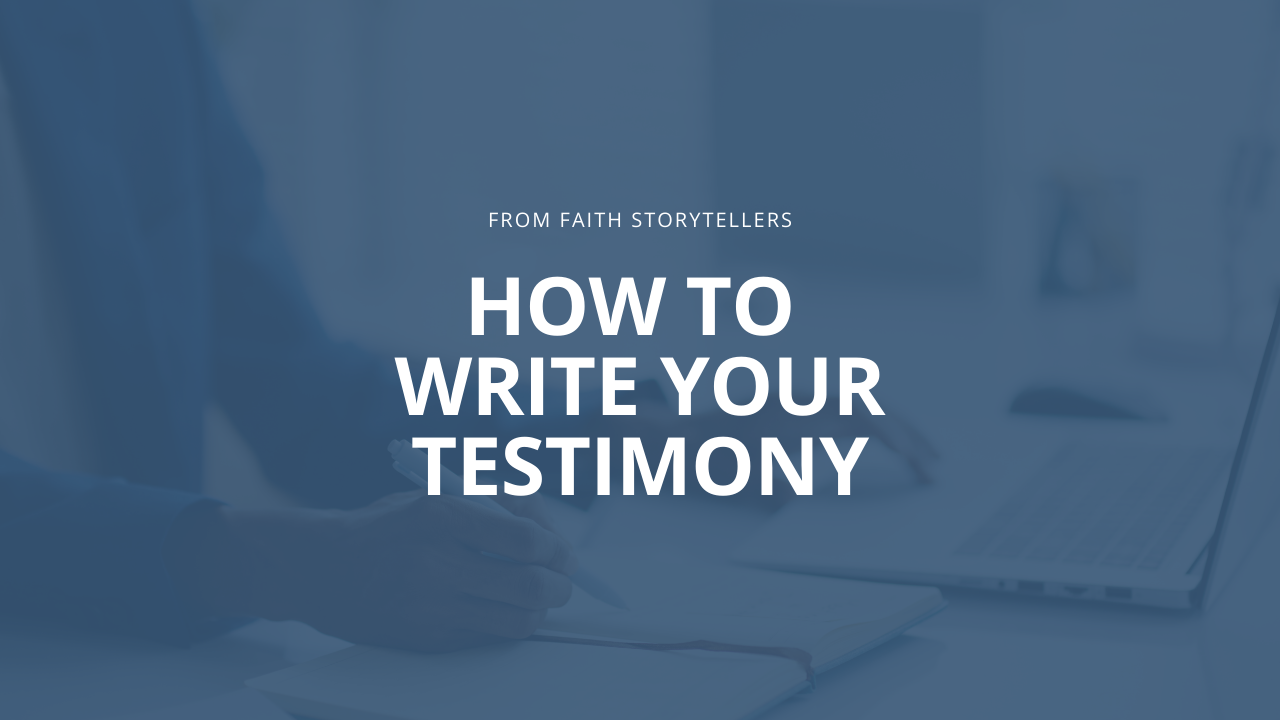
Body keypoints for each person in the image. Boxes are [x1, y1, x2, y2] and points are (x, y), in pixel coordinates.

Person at [0, 0, 934, 652]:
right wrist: (279, 565)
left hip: (125, 666)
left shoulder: (121, 18)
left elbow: (305, 394)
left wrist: (651, 419)